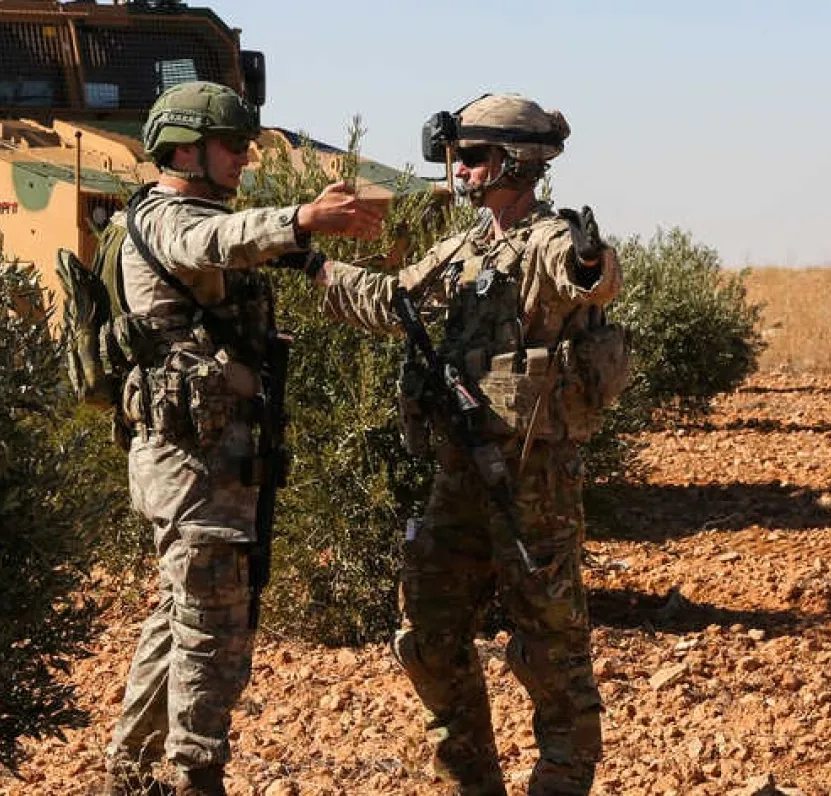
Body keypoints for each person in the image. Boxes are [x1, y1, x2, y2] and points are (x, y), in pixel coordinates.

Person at [309, 93, 623, 796]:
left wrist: (591, 262)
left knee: (551, 649)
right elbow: (395, 302)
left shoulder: (547, 239)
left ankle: (561, 782)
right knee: (427, 631)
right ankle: (471, 781)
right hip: (459, 476)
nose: (460, 169)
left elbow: (591, 279)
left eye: (474, 157)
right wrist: (315, 270)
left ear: (515, 161)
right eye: (457, 156)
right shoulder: (465, 247)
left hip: (530, 480)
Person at [99, 80, 381, 796]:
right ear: (184, 149)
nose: (245, 157)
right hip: (193, 469)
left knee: (180, 618)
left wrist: (325, 255)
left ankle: (129, 774)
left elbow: (251, 250)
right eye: (232, 145)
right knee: (211, 632)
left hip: (212, 465)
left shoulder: (193, 216)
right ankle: (195, 775)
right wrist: (303, 217)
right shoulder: (170, 220)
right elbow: (214, 240)